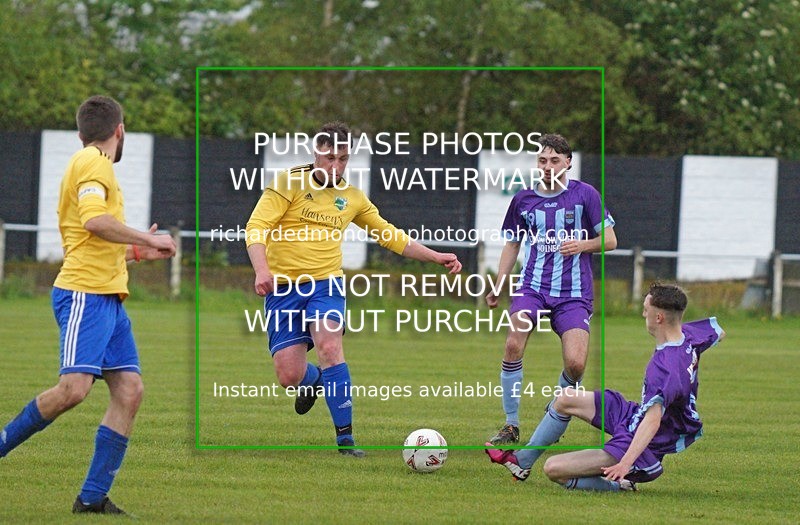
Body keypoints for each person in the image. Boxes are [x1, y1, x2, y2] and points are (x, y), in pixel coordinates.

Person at [0, 96, 176, 514]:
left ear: (81, 132)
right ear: (120, 129)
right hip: (85, 293)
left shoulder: (90, 162)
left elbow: (92, 236)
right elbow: (94, 221)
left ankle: (93, 498)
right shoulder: (95, 162)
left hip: (108, 295)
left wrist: (134, 254)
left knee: (130, 391)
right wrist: (149, 238)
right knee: (73, 390)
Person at [245, 121, 462, 457]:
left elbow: (388, 235)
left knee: (330, 347)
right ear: (315, 152)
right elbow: (256, 227)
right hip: (283, 288)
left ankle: (346, 440)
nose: (336, 166)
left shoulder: (353, 197)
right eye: (329, 157)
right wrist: (262, 270)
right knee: (289, 375)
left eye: (343, 159)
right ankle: (315, 382)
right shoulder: (287, 184)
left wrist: (435, 256)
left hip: (326, 285)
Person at [486, 283, 725, 491]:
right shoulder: (688, 336)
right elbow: (718, 332)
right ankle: (522, 462)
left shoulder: (664, 368)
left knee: (554, 469)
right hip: (633, 416)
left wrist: (624, 463)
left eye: (646, 310)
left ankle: (619, 485)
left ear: (659, 318)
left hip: (643, 446)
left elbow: (652, 422)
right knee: (566, 398)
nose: (644, 314)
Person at [485, 133, 617, 444]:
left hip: (573, 293)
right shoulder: (524, 199)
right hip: (531, 287)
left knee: (576, 364)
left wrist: (583, 244)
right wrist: (499, 281)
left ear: (568, 162)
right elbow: (512, 244)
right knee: (513, 344)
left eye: (555, 160)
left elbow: (610, 240)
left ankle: (555, 412)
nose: (548, 166)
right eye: (542, 160)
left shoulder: (586, 195)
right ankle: (511, 425)